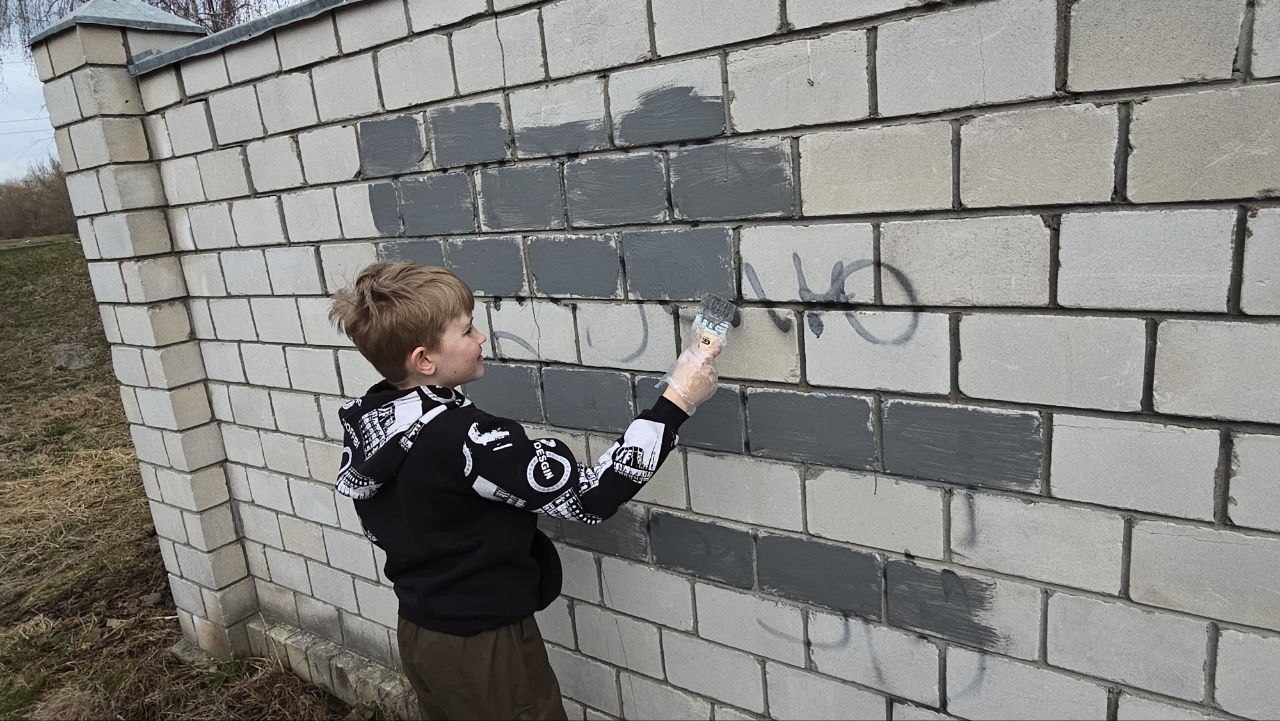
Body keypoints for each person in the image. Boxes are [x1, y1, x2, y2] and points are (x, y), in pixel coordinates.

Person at [327, 261, 722, 720]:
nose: (481, 338)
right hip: (484, 650)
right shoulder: (464, 439)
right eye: (466, 330)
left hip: (421, 634)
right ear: (424, 360)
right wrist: (678, 398)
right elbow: (592, 497)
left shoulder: (376, 423)